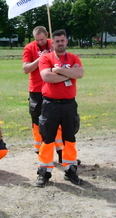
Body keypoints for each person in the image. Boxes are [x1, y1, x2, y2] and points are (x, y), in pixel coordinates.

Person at [35, 29, 84, 187]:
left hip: (69, 104)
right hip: (51, 104)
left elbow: (80, 73)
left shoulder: (74, 57)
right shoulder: (46, 58)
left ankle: (70, 169)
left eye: (63, 40)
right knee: (47, 138)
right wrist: (70, 74)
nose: (60, 43)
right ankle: (44, 171)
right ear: (53, 42)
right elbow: (46, 77)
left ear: (67, 41)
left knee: (69, 138)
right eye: (57, 41)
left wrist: (60, 71)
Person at [22, 26, 63, 160]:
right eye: (37, 40)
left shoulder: (54, 44)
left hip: (53, 88)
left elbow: (64, 62)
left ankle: (61, 151)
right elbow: (26, 69)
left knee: (56, 120)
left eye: (42, 39)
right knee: (38, 121)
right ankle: (40, 150)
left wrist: (53, 55)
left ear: (47, 35)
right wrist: (41, 58)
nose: (40, 42)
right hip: (36, 90)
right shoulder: (29, 48)